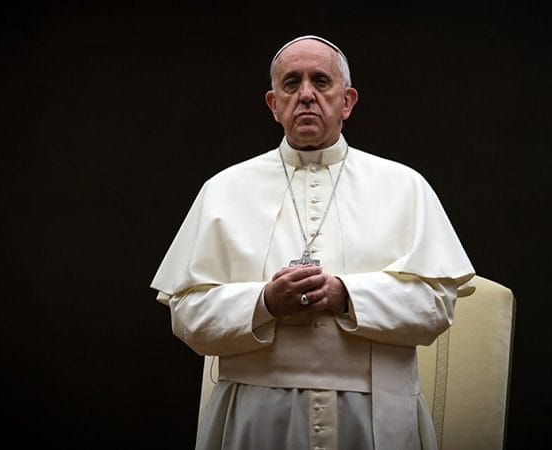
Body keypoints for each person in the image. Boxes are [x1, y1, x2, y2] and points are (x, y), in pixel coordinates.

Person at [150, 34, 475, 450]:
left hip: (373, 415)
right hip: (256, 413)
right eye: (291, 83)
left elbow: (438, 305)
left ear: (347, 101)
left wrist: (346, 296)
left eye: (321, 81)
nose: (306, 94)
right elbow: (187, 316)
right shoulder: (223, 189)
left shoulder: (405, 186)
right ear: (274, 104)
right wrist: (265, 302)